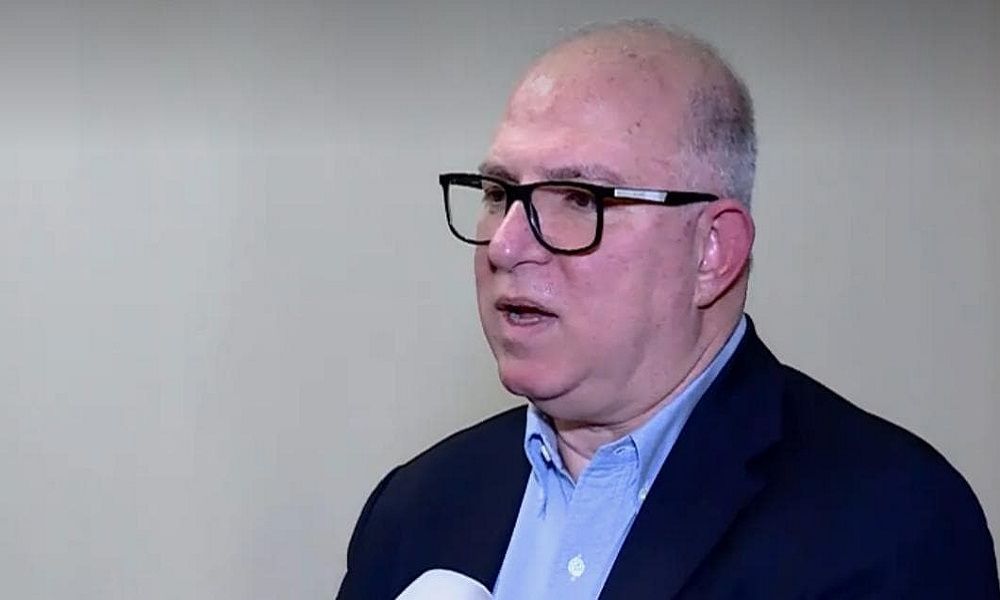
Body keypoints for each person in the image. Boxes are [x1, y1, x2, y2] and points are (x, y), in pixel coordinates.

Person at [337, 20, 999, 599]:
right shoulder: (416, 508)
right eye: (498, 192)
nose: (507, 245)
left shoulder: (890, 523)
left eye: (579, 198)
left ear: (713, 251)